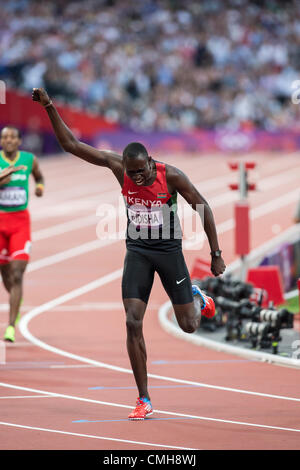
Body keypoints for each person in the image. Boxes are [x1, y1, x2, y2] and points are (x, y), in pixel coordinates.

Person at [32, 87, 226, 420]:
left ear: (151, 162)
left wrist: (216, 252)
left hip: (168, 251)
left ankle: (195, 295)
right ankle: (144, 398)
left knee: (191, 325)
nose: (137, 177)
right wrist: (49, 105)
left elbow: (203, 207)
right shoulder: (119, 168)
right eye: (131, 173)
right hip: (137, 251)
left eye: (141, 172)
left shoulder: (171, 175)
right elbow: (72, 146)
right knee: (132, 321)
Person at [0, 126, 45, 343]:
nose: (8, 140)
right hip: (0, 222)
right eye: (4, 137)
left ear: (19, 141)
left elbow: (39, 177)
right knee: (5, 274)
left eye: (12, 137)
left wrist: (40, 188)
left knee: (17, 273)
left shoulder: (29, 160)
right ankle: (15, 302)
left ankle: (10, 327)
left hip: (19, 223)